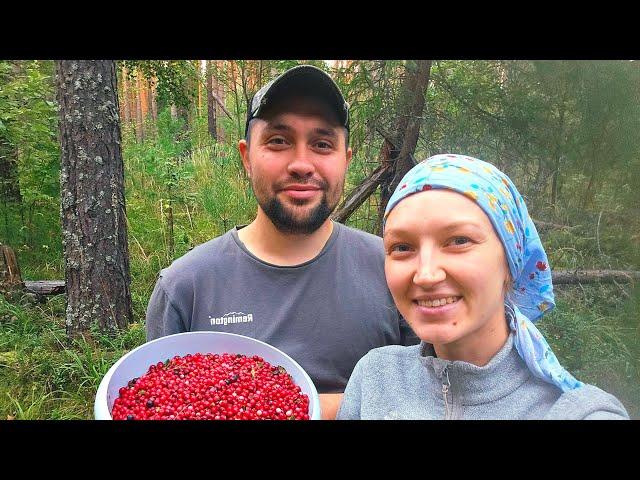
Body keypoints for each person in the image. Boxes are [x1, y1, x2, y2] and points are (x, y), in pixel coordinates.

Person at [145, 65, 418, 420]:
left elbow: (436, 393)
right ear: (246, 157)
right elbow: (157, 403)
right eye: (278, 141)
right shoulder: (185, 289)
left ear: (345, 160)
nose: (302, 164)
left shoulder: (397, 271)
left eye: (322, 144)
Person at [336, 154, 630, 419]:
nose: (425, 275)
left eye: (459, 241)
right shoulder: (375, 377)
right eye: (402, 247)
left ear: (511, 261)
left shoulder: (573, 412)